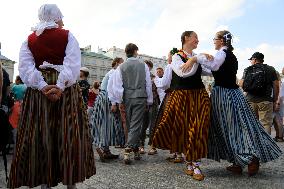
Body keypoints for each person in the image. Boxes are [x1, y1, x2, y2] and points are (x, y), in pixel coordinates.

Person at [7, 4, 96, 189]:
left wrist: (42, 86)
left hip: (39, 92)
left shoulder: (29, 40)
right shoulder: (68, 35)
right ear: (55, 17)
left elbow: (25, 68)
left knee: (41, 132)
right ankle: (70, 181)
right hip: (66, 90)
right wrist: (60, 86)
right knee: (68, 131)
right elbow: (73, 65)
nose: (63, 21)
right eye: (61, 17)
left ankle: (44, 182)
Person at [181, 30, 282, 176]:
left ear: (222, 41)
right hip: (231, 94)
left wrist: (195, 58)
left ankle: (251, 158)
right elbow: (213, 69)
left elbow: (214, 66)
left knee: (231, 128)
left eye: (215, 39)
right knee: (236, 127)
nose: (214, 41)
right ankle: (238, 162)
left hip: (225, 95)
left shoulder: (222, 53)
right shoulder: (228, 54)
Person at [151, 31, 211, 181]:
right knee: (184, 128)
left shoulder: (195, 57)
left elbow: (211, 70)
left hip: (199, 95)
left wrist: (200, 59)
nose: (198, 40)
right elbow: (184, 73)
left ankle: (195, 163)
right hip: (182, 96)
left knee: (198, 127)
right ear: (186, 38)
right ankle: (189, 161)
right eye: (195, 37)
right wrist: (196, 60)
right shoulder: (177, 57)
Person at [108, 43, 153, 164]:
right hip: (140, 96)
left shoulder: (121, 67)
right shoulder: (143, 65)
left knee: (130, 124)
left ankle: (136, 149)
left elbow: (116, 85)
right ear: (135, 51)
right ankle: (128, 149)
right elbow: (147, 84)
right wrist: (149, 100)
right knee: (135, 124)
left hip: (126, 97)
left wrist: (120, 99)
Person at [90, 57, 124, 162]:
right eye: (122, 63)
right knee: (107, 124)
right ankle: (102, 148)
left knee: (102, 123)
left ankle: (105, 150)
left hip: (102, 97)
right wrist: (114, 103)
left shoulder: (110, 72)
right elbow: (112, 88)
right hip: (107, 97)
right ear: (117, 63)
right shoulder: (114, 72)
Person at [239, 52, 279, 135]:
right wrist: (274, 100)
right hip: (265, 100)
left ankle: (255, 144)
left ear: (255, 59)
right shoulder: (271, 69)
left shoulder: (247, 69)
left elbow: (241, 84)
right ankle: (267, 145)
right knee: (266, 123)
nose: (251, 62)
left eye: (251, 60)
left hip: (250, 100)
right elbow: (276, 86)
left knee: (252, 123)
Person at [139, 60, 160, 155]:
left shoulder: (153, 78)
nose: (146, 68)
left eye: (148, 66)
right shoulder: (139, 77)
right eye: (145, 66)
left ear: (151, 68)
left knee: (153, 125)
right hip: (143, 103)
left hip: (153, 103)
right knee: (143, 125)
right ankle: (141, 145)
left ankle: (152, 146)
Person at [273, 70, 284, 142]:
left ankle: (280, 137)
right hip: (280, 102)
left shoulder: (280, 83)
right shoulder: (281, 82)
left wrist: (277, 103)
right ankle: (278, 135)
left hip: (281, 102)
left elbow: (281, 95)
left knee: (278, 119)